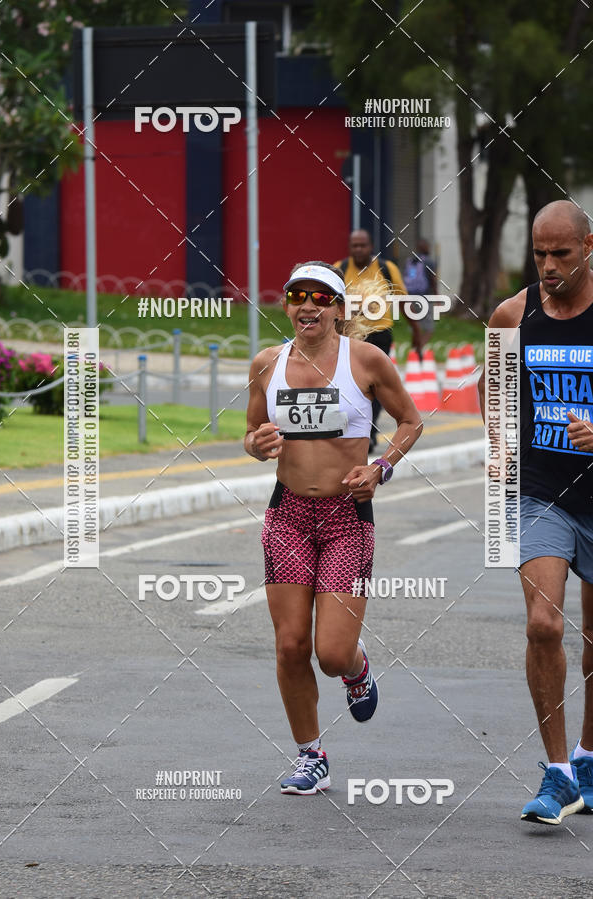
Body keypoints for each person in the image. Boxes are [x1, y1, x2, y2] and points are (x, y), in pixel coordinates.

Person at [245, 261, 422, 795]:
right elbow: (252, 434)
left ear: (340, 310)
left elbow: (410, 421)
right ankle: (310, 755)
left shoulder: (366, 360)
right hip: (289, 516)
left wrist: (380, 467)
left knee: (331, 654)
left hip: (348, 519)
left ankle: (356, 668)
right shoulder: (267, 364)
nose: (308, 306)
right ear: (287, 305)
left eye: (321, 298)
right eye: (298, 295)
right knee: (290, 645)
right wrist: (259, 446)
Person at [478, 200, 593, 825]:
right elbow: (490, 386)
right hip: (540, 495)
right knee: (544, 625)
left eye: (561, 255)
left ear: (589, 245)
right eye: (539, 255)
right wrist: (499, 444)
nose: (548, 267)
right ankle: (557, 775)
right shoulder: (513, 314)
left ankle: (589, 757)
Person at [335, 229, 423, 452]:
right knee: (350, 386)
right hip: (348, 337)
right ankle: (345, 431)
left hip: (379, 335)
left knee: (375, 388)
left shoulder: (386, 269)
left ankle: (369, 433)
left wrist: (416, 331)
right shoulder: (340, 269)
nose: (358, 250)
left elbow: (403, 302)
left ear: (371, 247)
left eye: (362, 245)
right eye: (354, 246)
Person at [403, 239, 438, 352]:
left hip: (410, 297)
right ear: (425, 247)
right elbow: (433, 280)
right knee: (429, 328)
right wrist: (437, 296)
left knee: (415, 327)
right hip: (424, 297)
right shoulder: (429, 261)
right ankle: (419, 349)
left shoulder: (410, 261)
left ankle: (413, 349)